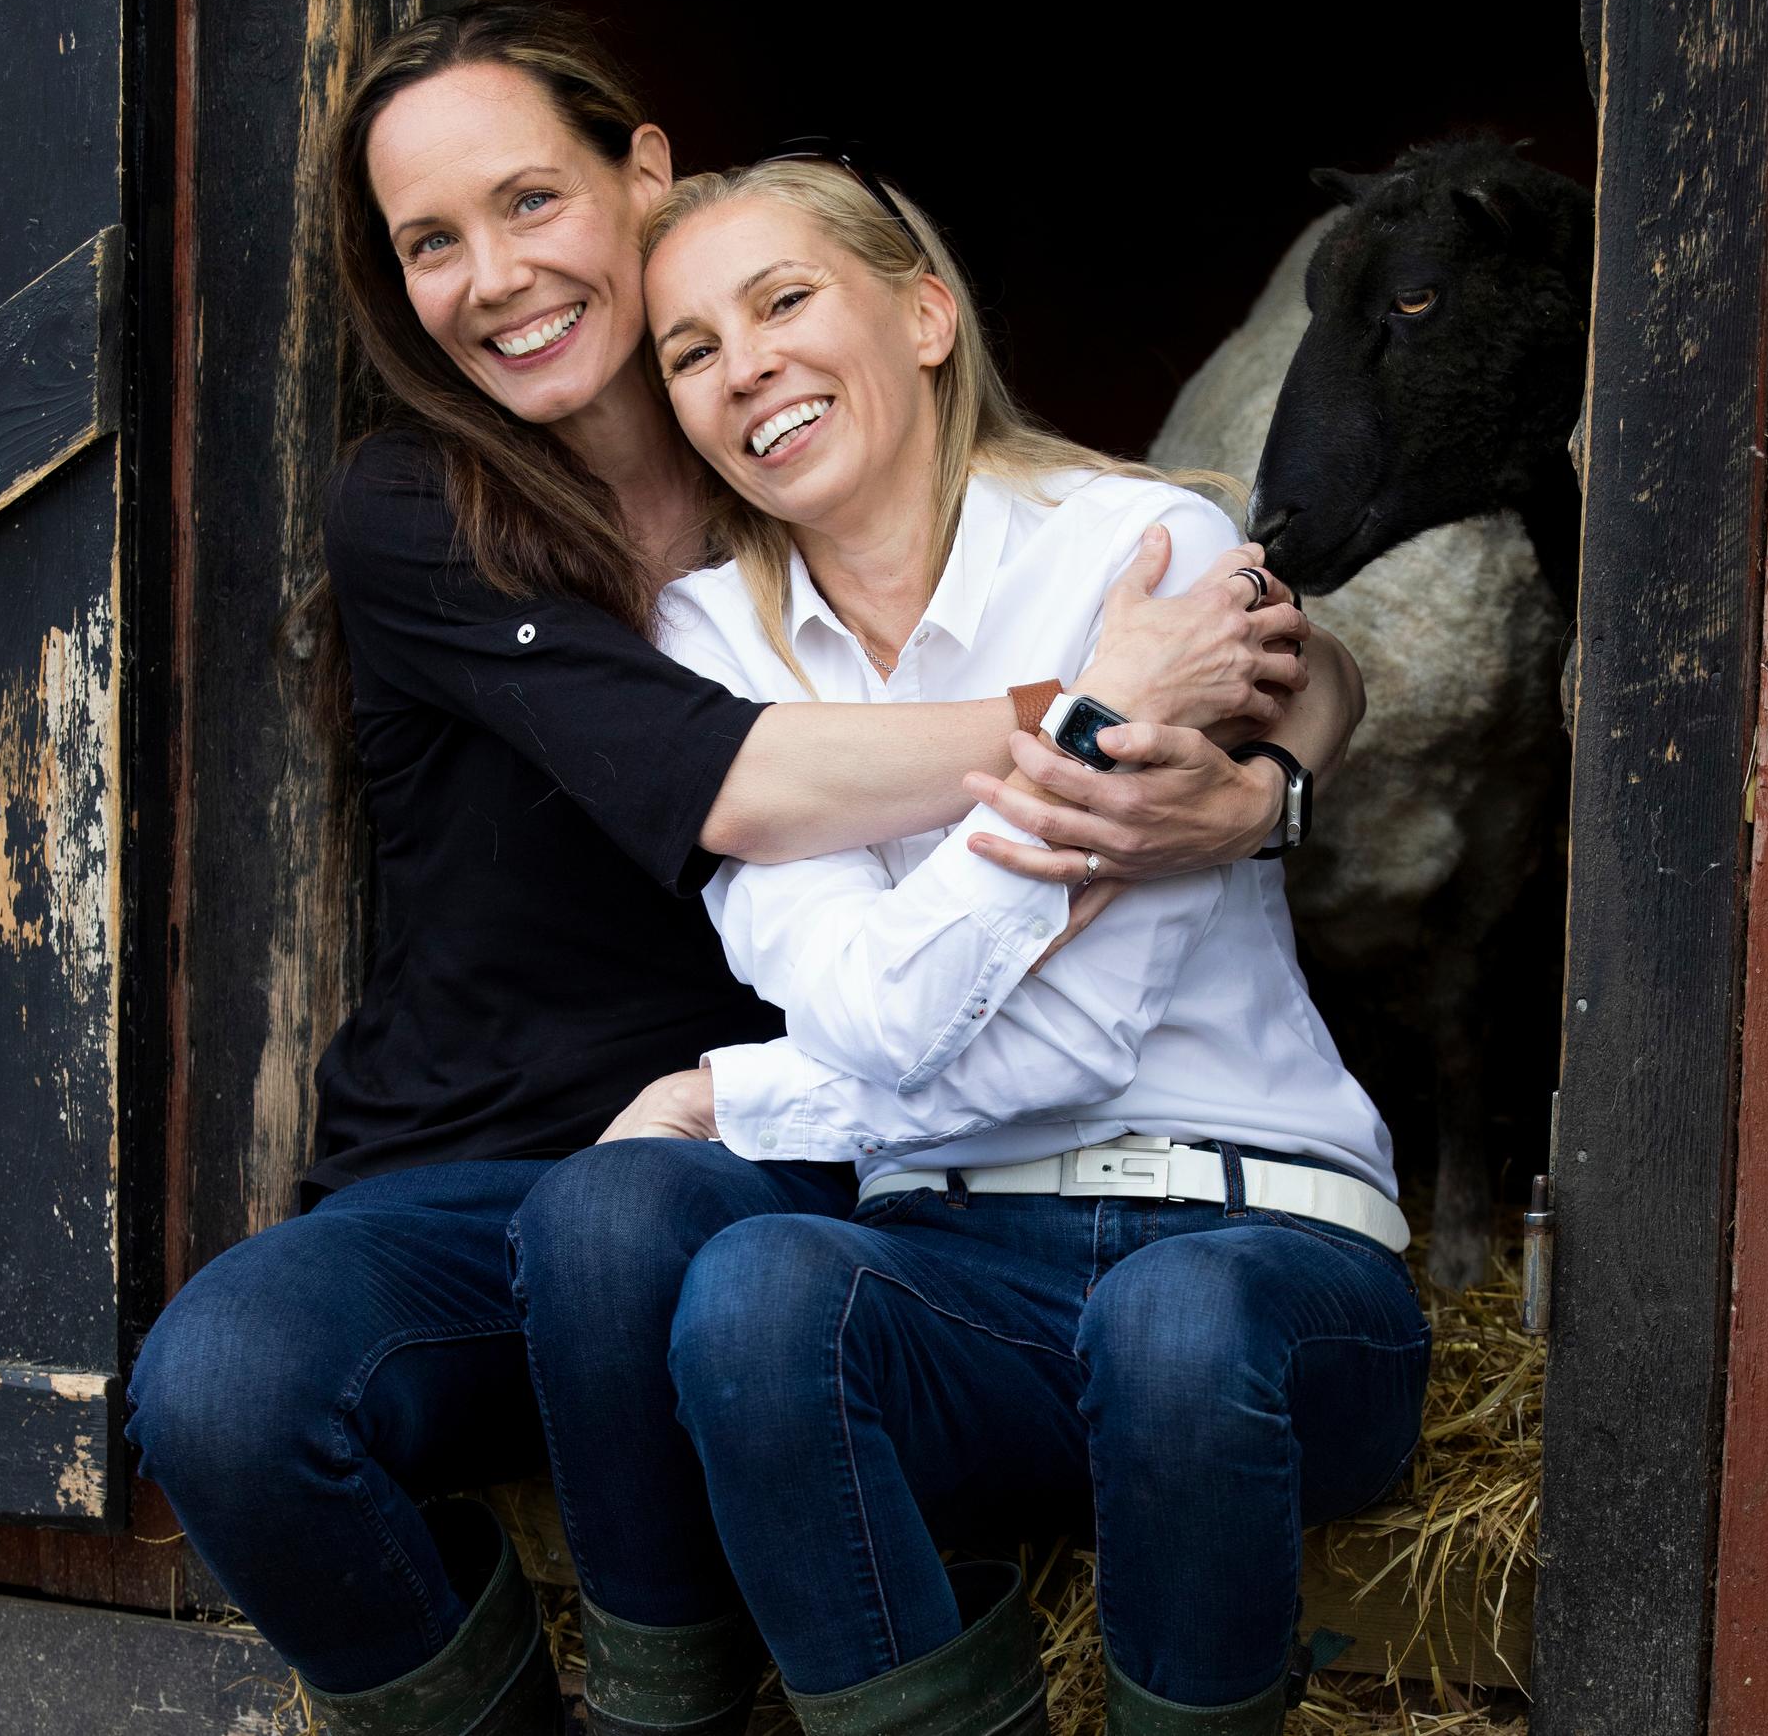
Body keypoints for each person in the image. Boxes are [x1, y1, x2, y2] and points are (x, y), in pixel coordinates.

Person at [122, 6, 1355, 1736]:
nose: (494, 276)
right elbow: (744, 782)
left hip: (807, 1154)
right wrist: (1103, 712)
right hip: (489, 1158)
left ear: (644, 176)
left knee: (650, 1230)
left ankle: (689, 1698)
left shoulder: (830, 488)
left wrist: (1267, 778)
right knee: (223, 1392)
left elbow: (1242, 621)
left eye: (529, 199)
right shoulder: (430, 511)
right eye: (430, 242)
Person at [519, 157, 1426, 1736]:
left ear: (926, 315)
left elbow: (1059, 1042)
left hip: (1257, 1241)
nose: (746, 367)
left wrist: (742, 1096)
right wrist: (1092, 735)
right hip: (961, 1268)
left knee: (1172, 1325)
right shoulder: (705, 645)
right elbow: (867, 1011)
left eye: (784, 301)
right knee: (754, 1293)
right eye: (691, 349)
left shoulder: (1143, 555)